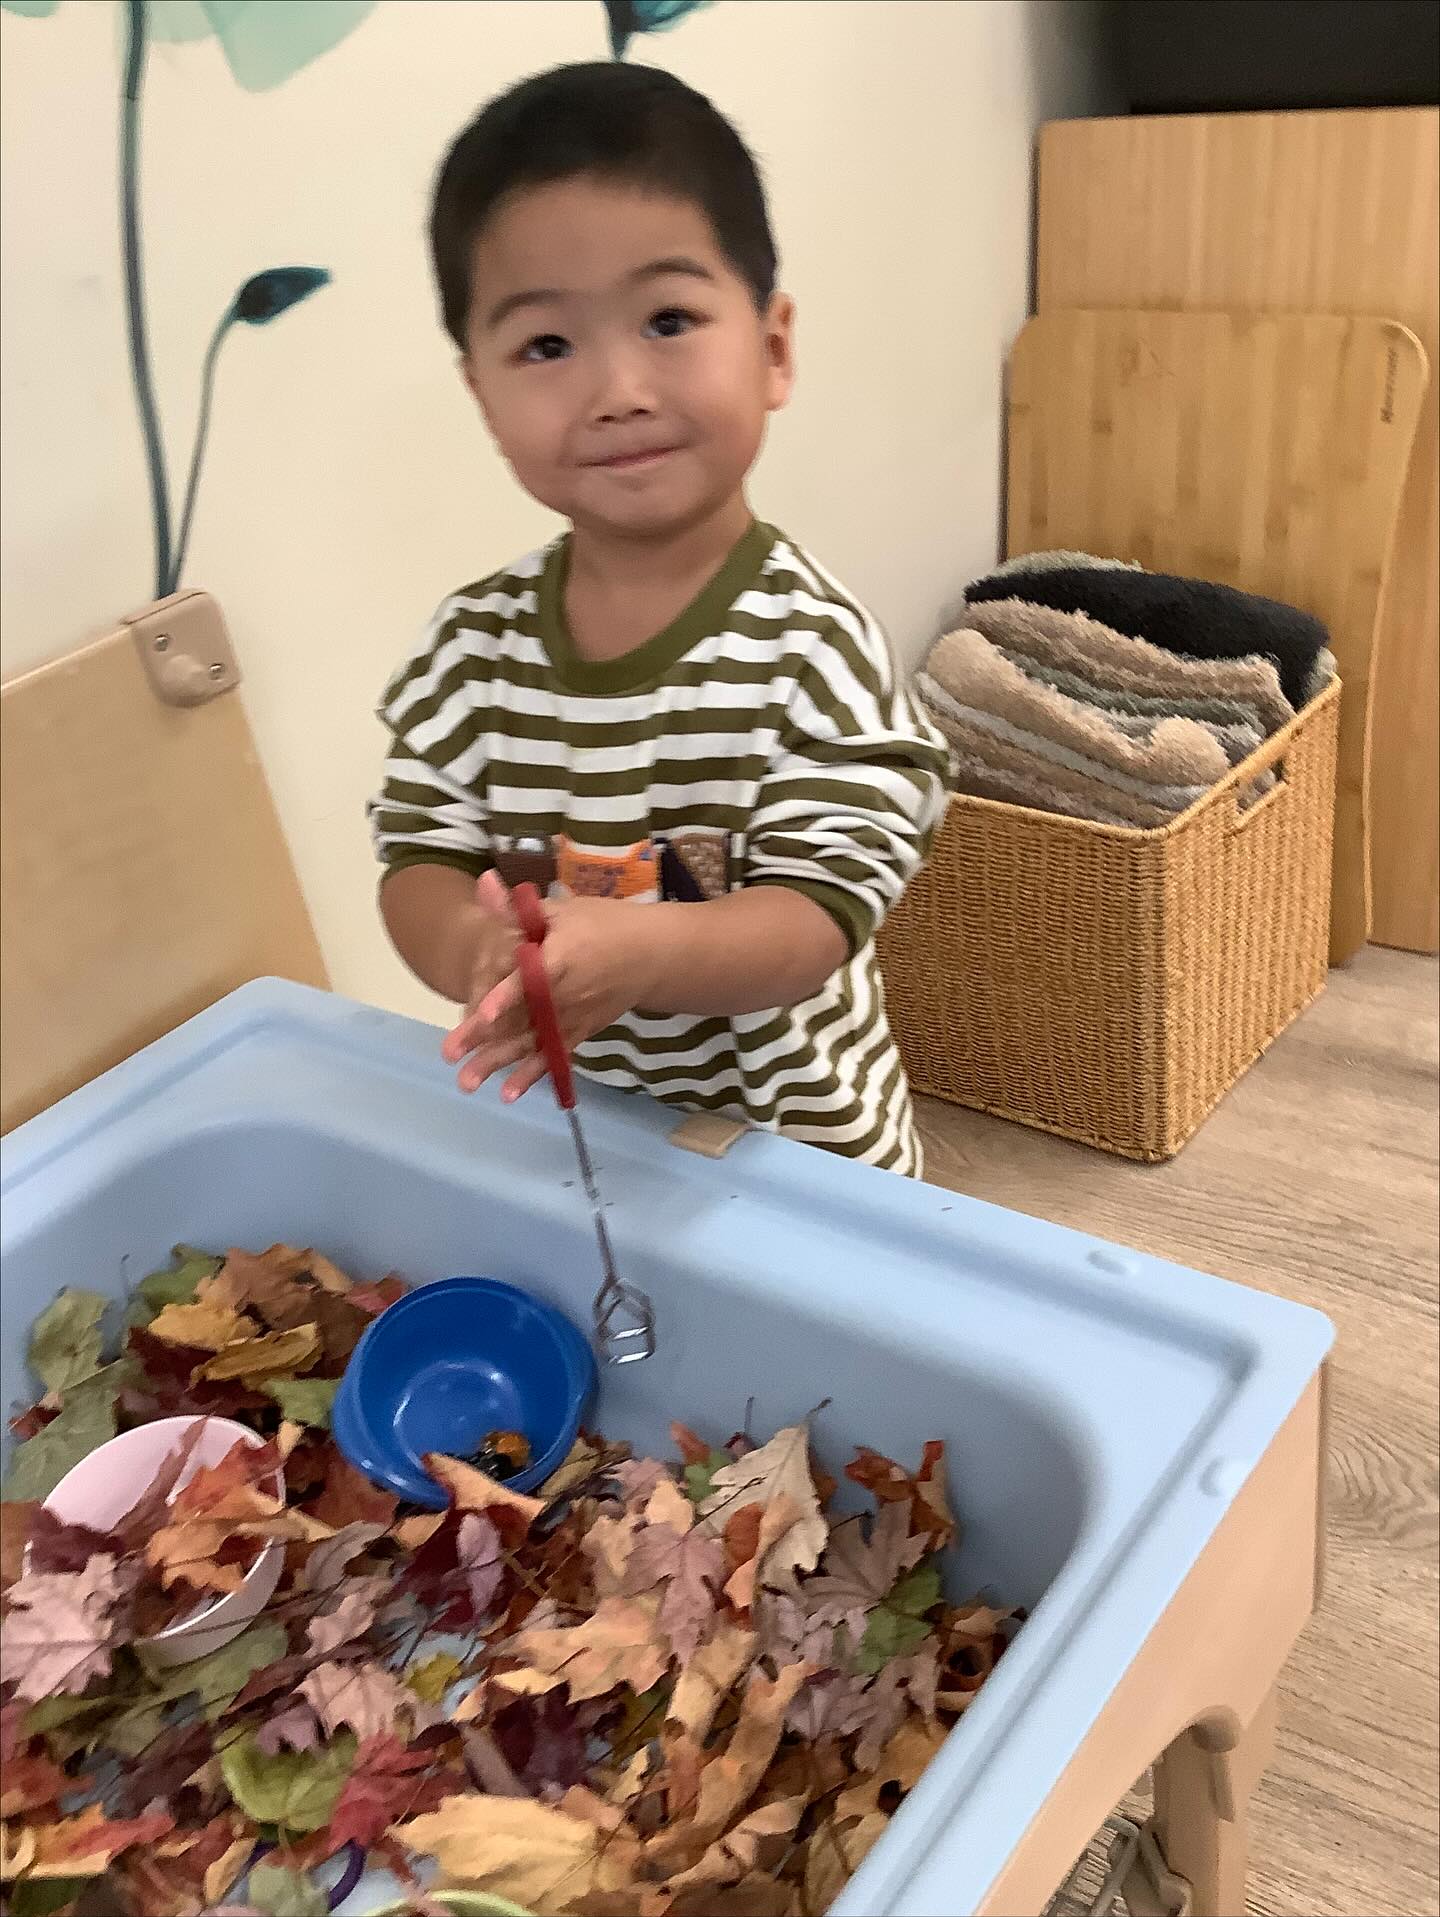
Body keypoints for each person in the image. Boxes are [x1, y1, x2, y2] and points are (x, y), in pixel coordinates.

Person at [369, 61, 949, 1175]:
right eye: (547, 345)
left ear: (773, 347)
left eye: (669, 318)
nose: (617, 387)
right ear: (483, 395)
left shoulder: (812, 649)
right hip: (578, 1140)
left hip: (802, 1160)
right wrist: (468, 941)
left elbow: (811, 922)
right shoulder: (469, 653)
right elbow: (418, 858)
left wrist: (644, 951)